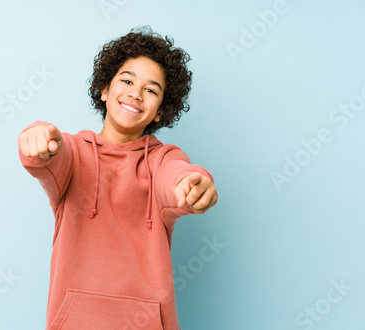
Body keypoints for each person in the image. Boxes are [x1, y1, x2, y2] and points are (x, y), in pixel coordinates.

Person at [18, 26, 218, 330]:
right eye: (126, 80)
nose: (136, 93)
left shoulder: (162, 159)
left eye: (151, 90)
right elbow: (51, 155)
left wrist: (192, 184)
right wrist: (37, 140)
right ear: (104, 90)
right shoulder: (73, 152)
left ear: (160, 112)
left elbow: (175, 177)